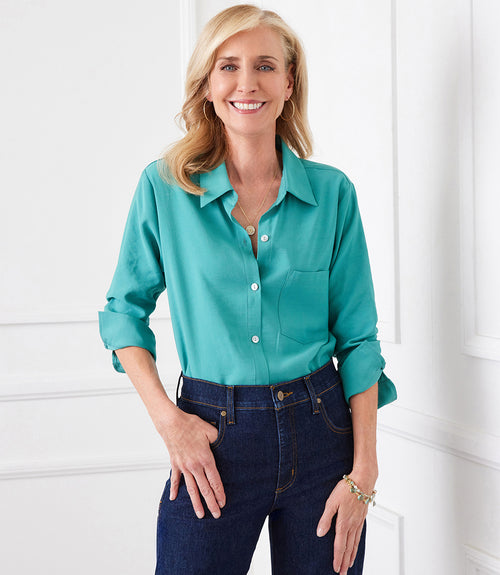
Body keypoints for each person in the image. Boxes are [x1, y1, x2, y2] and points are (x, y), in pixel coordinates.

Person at [98, 5, 396, 574]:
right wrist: (169, 421)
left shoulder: (333, 195)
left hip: (322, 434)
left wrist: (364, 471)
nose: (247, 83)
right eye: (228, 66)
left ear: (289, 83)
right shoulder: (165, 189)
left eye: (264, 66)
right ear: (207, 85)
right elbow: (122, 315)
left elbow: (359, 340)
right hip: (213, 438)